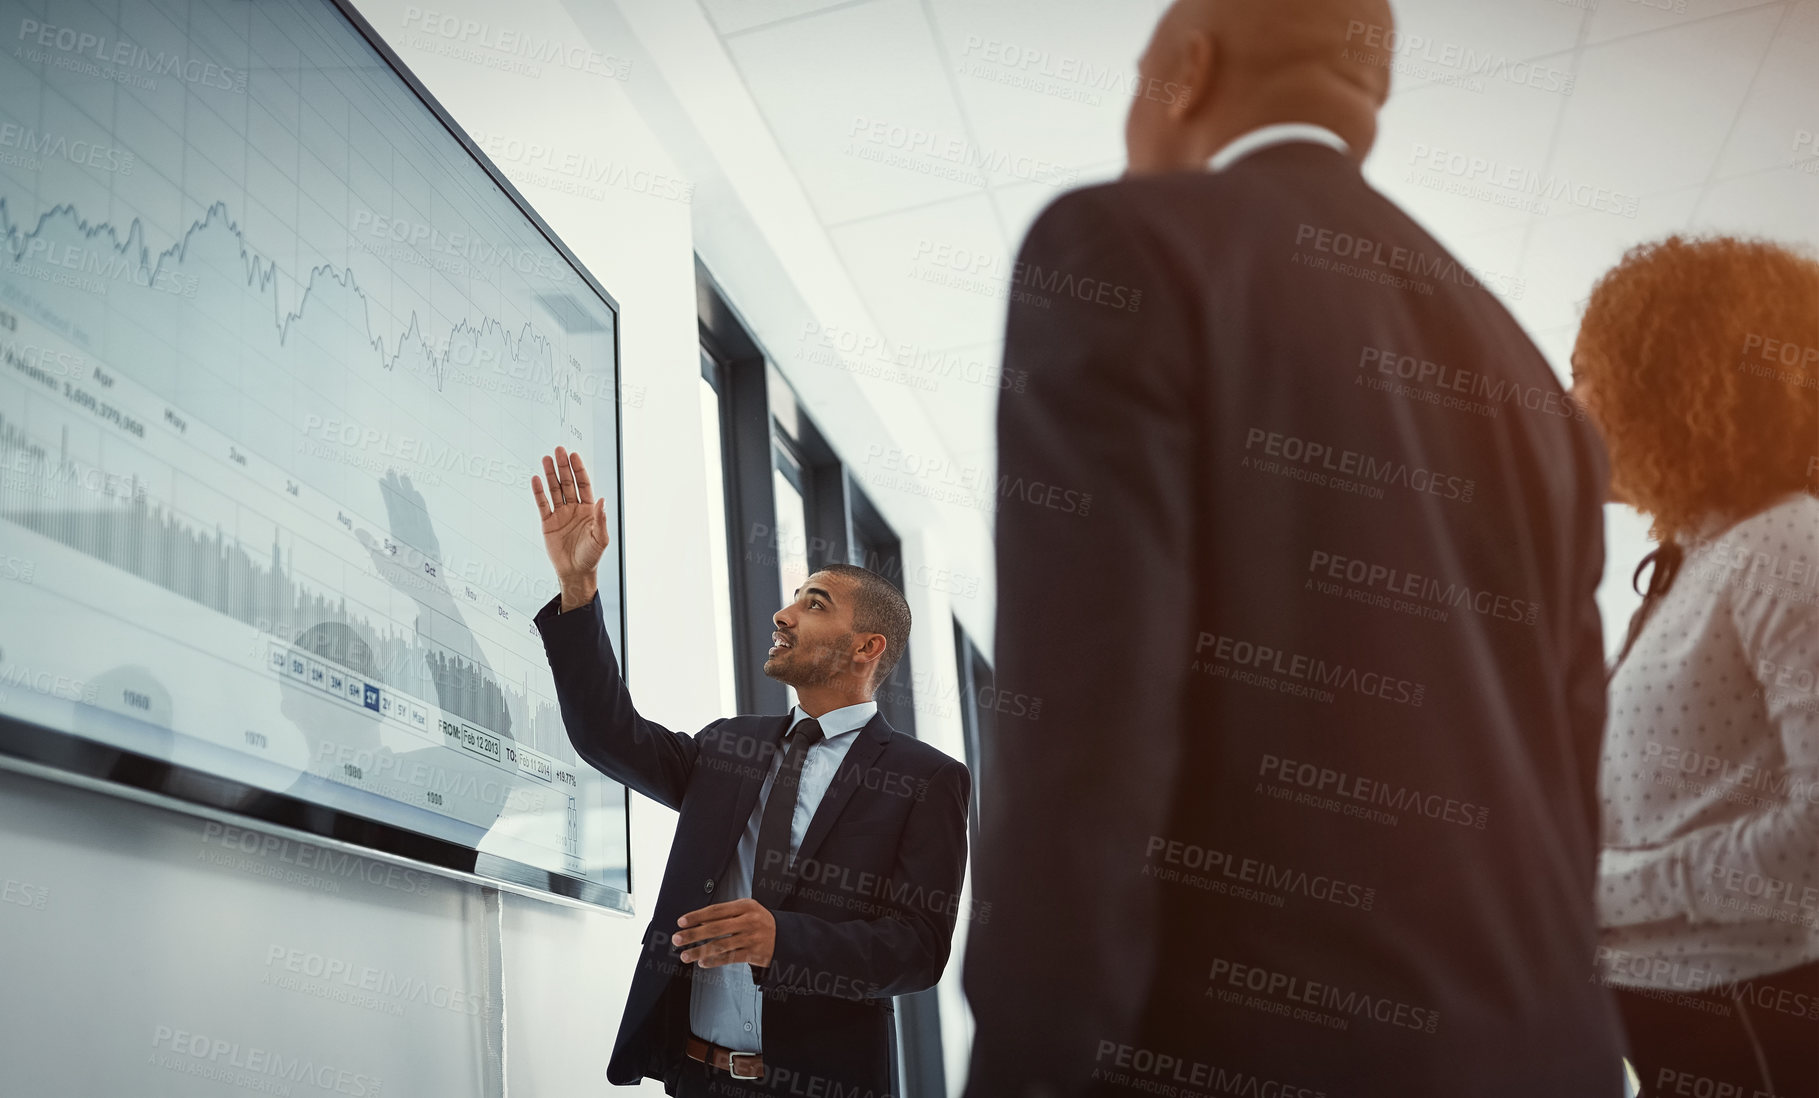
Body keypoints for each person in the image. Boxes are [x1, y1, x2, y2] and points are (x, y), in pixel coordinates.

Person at [962, 0, 1628, 1094]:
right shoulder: (1531, 386)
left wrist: (1030, 1068)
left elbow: (1086, 742)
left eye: (1134, 81)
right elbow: (1568, 795)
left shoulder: (1120, 250)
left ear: (1187, 67)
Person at [528, 447, 970, 1097]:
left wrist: (781, 940)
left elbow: (916, 951)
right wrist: (578, 588)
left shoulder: (925, 778)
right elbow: (607, 735)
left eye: (813, 605)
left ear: (865, 648)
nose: (783, 615)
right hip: (694, 1076)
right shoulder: (728, 745)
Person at [1573, 236, 1819, 1098]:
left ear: (1668, 380)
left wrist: (1605, 891)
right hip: (1680, 1009)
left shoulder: (1785, 544)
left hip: (1748, 1013)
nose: (1573, 402)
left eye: (1589, 372)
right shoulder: (1698, 551)